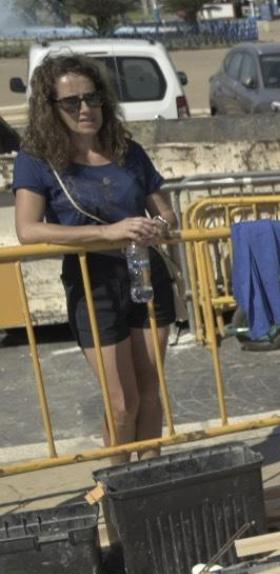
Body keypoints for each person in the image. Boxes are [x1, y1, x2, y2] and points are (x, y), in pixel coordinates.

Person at [12, 55, 177, 465]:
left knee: (151, 388)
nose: (86, 109)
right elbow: (29, 229)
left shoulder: (127, 150)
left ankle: (154, 480)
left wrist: (156, 226)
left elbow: (168, 213)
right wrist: (108, 232)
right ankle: (120, 485)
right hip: (93, 280)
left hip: (144, 270)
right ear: (50, 109)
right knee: (122, 402)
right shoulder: (37, 159)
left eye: (93, 98)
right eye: (72, 103)